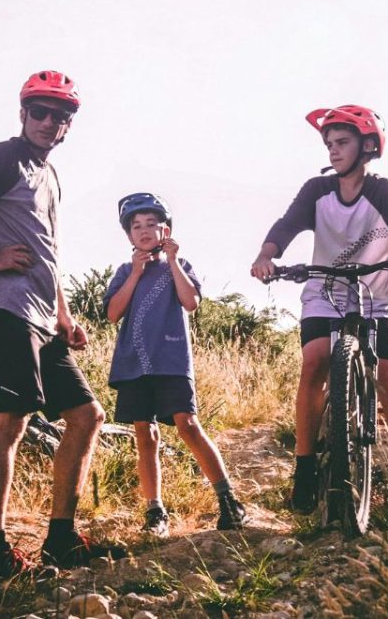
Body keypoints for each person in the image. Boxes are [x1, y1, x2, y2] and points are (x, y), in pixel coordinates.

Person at [0, 70, 126, 579]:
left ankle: (61, 540)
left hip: (44, 317)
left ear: (68, 126)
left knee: (87, 417)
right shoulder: (3, 157)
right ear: (23, 114)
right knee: (9, 422)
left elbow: (49, 252)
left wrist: (63, 314)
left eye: (59, 116)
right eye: (38, 112)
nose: (47, 122)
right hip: (9, 311)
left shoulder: (50, 174)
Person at [249, 104, 388, 512]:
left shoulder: (384, 193)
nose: (333, 151)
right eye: (329, 144)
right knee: (315, 359)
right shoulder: (316, 191)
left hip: (373, 297)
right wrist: (266, 256)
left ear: (368, 146)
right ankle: (305, 471)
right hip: (324, 291)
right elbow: (285, 227)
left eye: (342, 142)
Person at [103, 193, 247, 537]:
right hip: (134, 364)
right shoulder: (124, 271)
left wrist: (173, 261)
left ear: (165, 229)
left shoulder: (179, 266)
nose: (143, 230)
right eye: (136, 226)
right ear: (128, 235)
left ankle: (228, 500)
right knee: (145, 434)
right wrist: (136, 274)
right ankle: (155, 512)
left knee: (188, 425)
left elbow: (190, 302)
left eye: (151, 224)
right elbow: (112, 314)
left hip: (171, 359)